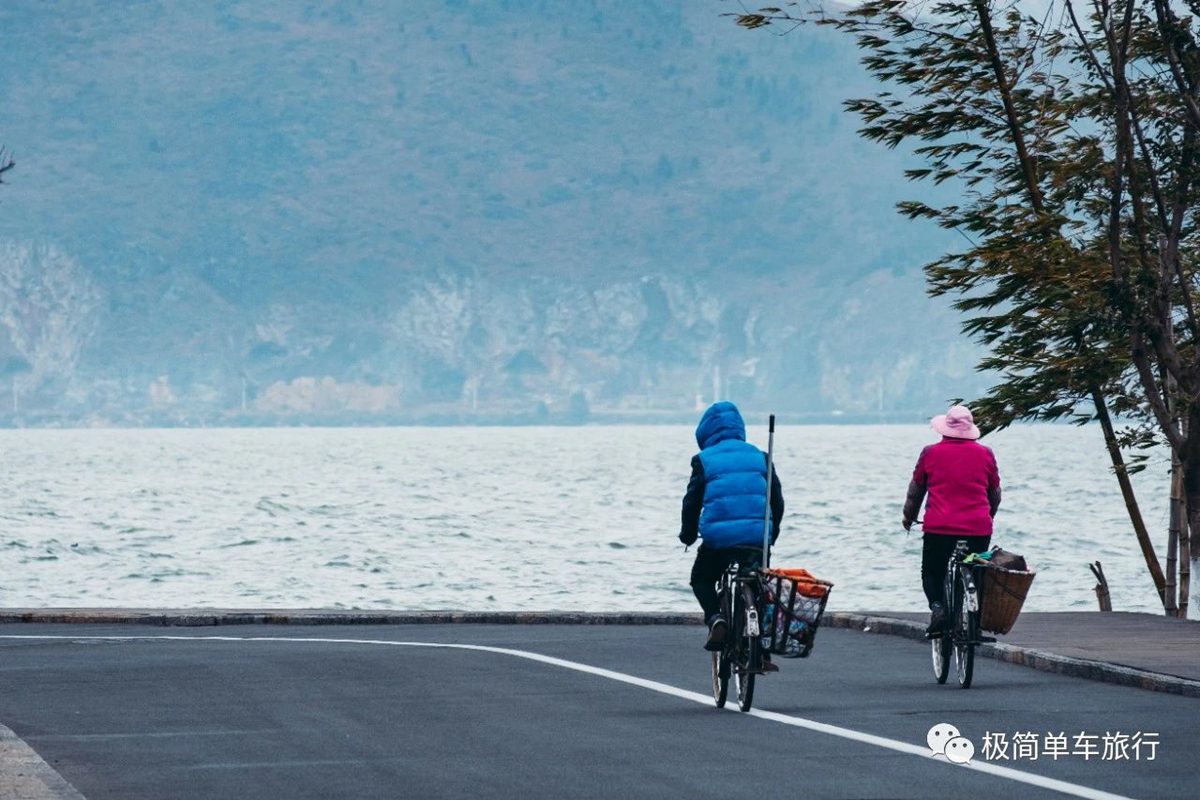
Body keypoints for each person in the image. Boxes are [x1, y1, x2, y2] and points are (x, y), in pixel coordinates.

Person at [680, 401, 783, 652]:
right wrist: (772, 534)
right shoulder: (761, 456)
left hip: (718, 541)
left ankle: (716, 618)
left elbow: (691, 504)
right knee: (758, 579)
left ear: (705, 433)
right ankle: (759, 625)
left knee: (701, 579)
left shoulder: (703, 460)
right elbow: (776, 499)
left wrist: (688, 535)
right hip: (757, 539)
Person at [902, 404, 1001, 633]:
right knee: (977, 570)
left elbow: (916, 492)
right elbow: (994, 494)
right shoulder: (986, 454)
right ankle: (974, 611)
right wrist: (988, 517)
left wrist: (909, 517)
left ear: (945, 429)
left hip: (939, 528)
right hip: (978, 528)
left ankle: (938, 609)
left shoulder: (931, 453)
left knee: (932, 571)